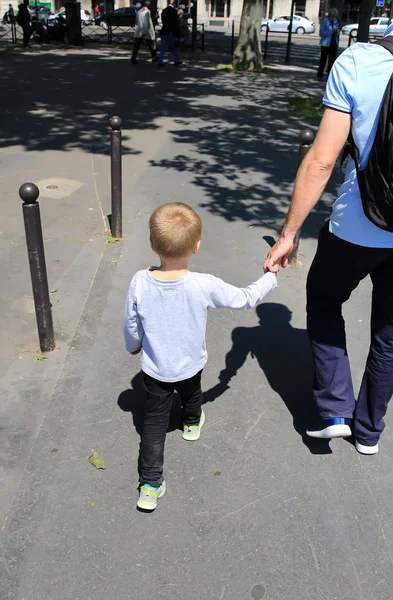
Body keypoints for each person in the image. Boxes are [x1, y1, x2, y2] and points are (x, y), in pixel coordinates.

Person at [264, 25, 393, 455]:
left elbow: (321, 160)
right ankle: (369, 432)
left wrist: (288, 235)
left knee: (323, 301)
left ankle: (336, 410)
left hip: (357, 224)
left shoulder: (359, 62)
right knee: (390, 335)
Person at [124, 202, 277, 511]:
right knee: (192, 391)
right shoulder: (203, 284)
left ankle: (150, 486)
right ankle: (191, 423)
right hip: (191, 362)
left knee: (153, 426)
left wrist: (133, 345)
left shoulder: (140, 281)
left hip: (155, 370)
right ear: (196, 247)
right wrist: (270, 278)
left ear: (153, 245)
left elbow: (131, 321)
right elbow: (245, 299)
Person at [317, 8, 339, 80]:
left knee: (332, 60)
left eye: (335, 16)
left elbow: (337, 30)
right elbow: (322, 33)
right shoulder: (324, 21)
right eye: (333, 16)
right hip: (325, 43)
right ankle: (320, 75)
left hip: (333, 43)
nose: (333, 18)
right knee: (323, 59)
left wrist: (337, 32)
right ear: (330, 15)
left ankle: (329, 75)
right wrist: (331, 31)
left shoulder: (335, 21)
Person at [159, 0, 181, 66]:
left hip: (165, 30)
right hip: (172, 32)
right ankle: (177, 61)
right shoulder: (174, 11)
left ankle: (161, 61)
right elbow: (175, 23)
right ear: (173, 3)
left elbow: (163, 21)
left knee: (163, 48)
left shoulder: (164, 10)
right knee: (175, 47)